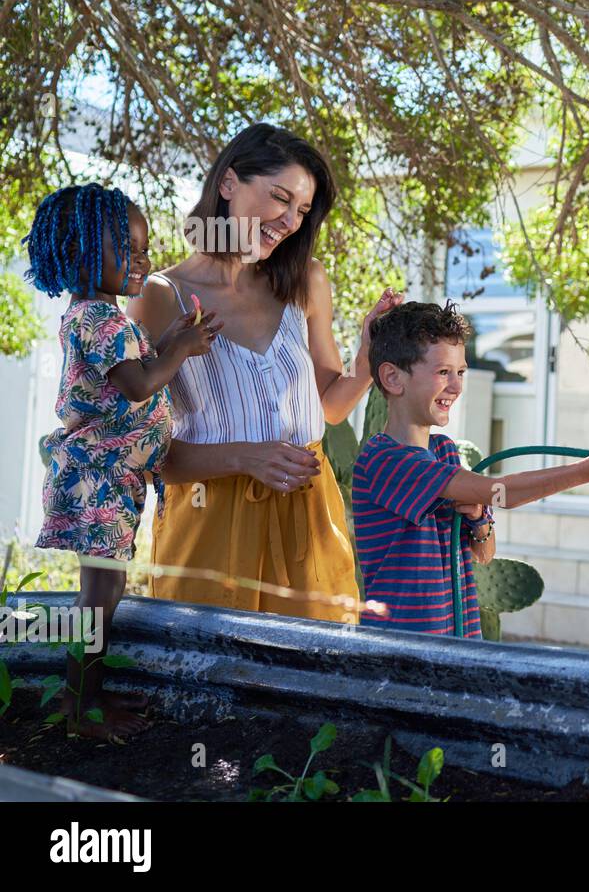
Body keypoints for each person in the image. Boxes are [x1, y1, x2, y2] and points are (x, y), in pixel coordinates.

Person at [130, 123, 400, 622]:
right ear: (229, 183)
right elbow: (146, 451)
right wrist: (245, 457)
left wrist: (366, 359)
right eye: (280, 198)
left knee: (314, 678)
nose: (291, 221)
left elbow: (329, 409)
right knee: (213, 678)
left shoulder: (306, 282)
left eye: (302, 210)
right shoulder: (160, 297)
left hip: (309, 515)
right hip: (211, 518)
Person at [24, 183, 221, 739]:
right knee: (100, 595)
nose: (143, 259)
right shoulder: (96, 319)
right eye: (127, 249)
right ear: (84, 251)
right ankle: (81, 705)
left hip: (110, 477)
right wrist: (179, 350)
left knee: (105, 591)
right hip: (100, 478)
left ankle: (85, 693)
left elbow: (130, 369)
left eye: (143, 247)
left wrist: (167, 339)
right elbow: (135, 385)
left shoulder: (103, 318)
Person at [353, 301, 589, 636]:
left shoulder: (443, 451)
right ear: (393, 378)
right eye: (443, 372)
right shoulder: (384, 460)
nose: (456, 387)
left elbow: (482, 554)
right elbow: (502, 494)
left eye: (461, 372)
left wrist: (478, 519)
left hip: (457, 646)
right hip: (405, 654)